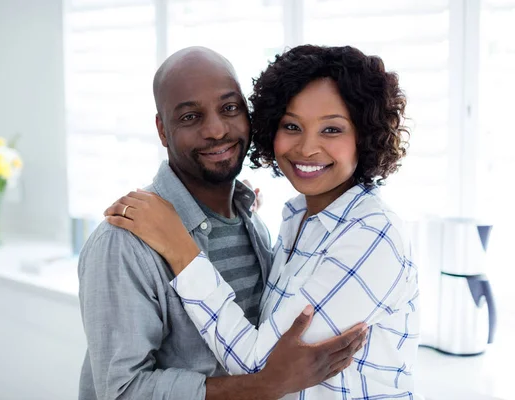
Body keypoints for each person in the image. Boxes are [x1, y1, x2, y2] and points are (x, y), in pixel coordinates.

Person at [105, 45, 421, 399]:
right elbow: (121, 390)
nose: (307, 148)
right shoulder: (291, 221)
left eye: (331, 129)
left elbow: (262, 368)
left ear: (363, 135)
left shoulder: (372, 234)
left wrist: (182, 250)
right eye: (291, 126)